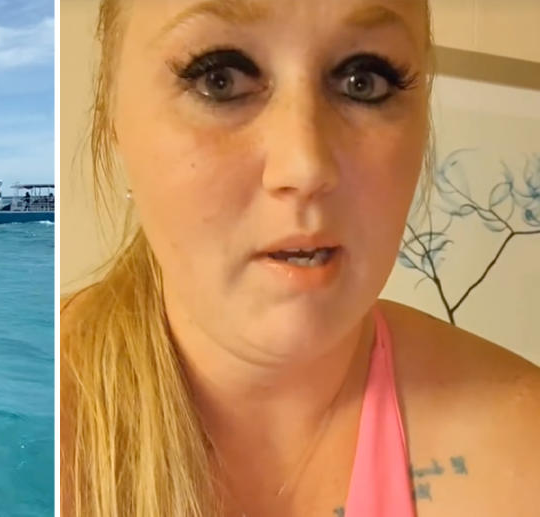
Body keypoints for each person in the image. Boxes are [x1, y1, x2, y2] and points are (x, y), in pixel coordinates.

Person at [59, 2, 540, 517]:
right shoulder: (27, 439)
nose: (306, 165)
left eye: (364, 81)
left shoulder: (521, 454)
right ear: (113, 119)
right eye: (219, 79)